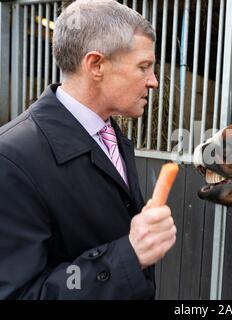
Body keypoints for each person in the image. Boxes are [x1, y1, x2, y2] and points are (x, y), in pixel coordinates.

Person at [0, 0, 176, 299]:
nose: (154, 81)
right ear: (96, 65)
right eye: (144, 66)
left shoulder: (110, 134)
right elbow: (20, 294)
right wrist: (129, 255)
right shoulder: (11, 158)